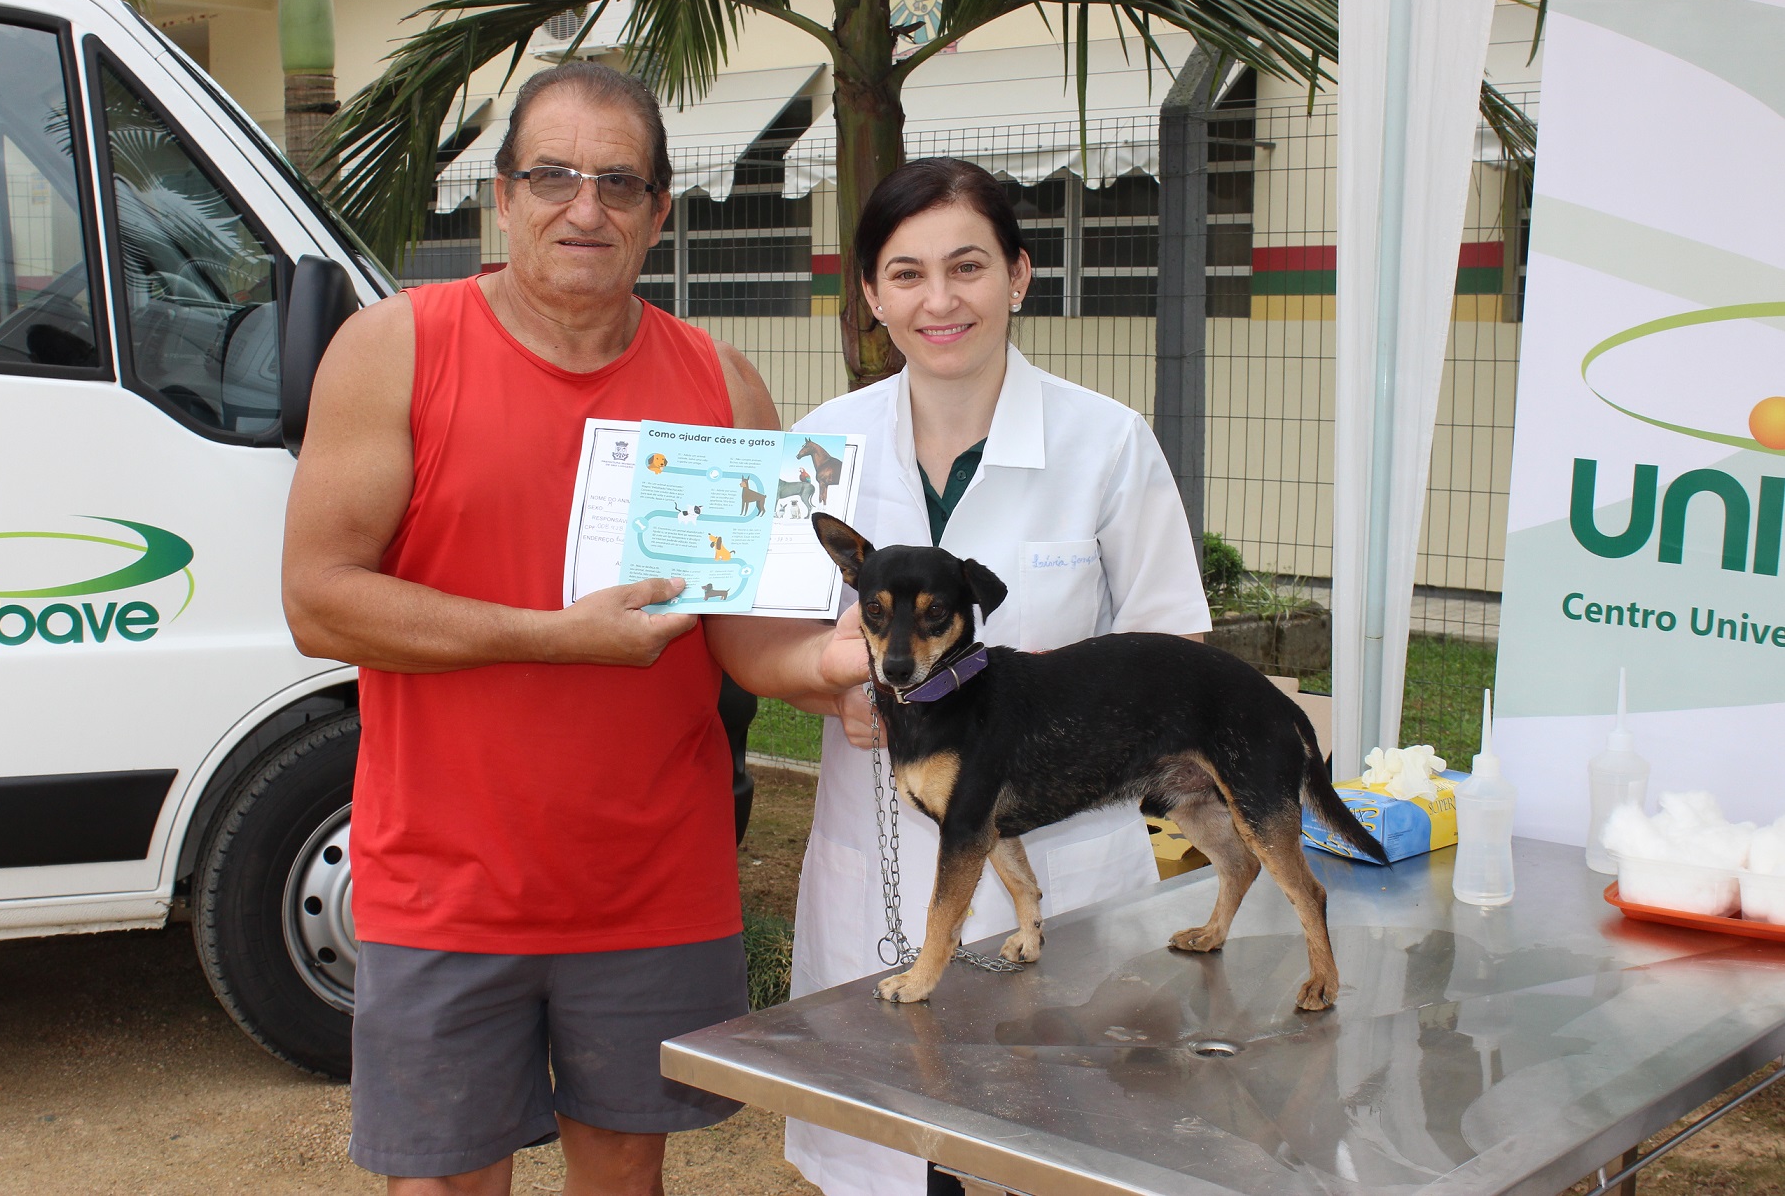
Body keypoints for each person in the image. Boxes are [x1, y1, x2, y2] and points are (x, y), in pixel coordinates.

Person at [281, 61, 859, 1196]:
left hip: (649, 877)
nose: (583, 207)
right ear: (500, 198)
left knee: (625, 1172)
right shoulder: (397, 348)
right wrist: (556, 636)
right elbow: (319, 599)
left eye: (617, 182)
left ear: (658, 215)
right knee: (443, 1181)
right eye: (552, 175)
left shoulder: (723, 387)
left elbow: (749, 638)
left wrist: (837, 667)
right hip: (449, 882)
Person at [779, 158, 1213, 1196]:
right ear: (872, 297)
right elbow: (763, 648)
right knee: (897, 1160)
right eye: (908, 273)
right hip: (879, 870)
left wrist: (1028, 713)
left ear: (1019, 275)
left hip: (1064, 878)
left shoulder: (1106, 443)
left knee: (1054, 1157)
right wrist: (836, 683)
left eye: (968, 266)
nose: (941, 300)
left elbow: (1172, 654)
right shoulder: (818, 447)